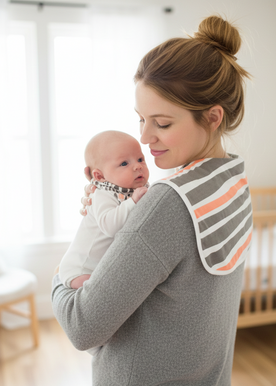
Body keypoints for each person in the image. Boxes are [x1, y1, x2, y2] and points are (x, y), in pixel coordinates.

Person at [52, 15, 253, 386]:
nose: (144, 137)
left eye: (161, 123)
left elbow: (82, 326)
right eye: (141, 119)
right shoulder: (232, 179)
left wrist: (62, 274)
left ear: (212, 117)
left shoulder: (167, 205)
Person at [59, 130, 149, 290]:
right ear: (100, 177)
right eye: (124, 163)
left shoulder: (135, 189)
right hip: (81, 268)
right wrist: (133, 201)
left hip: (102, 267)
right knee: (100, 290)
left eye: (140, 159)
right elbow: (110, 227)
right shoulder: (102, 193)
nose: (137, 166)